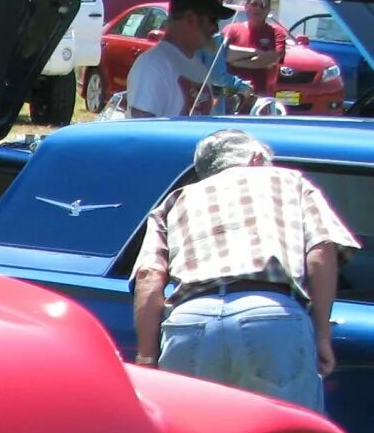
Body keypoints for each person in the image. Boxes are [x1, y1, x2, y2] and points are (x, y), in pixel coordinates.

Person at [131, 128, 358, 411]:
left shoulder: (174, 201)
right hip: (269, 315)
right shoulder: (291, 182)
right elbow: (321, 250)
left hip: (189, 322)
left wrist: (147, 357)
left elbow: (148, 276)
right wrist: (322, 334)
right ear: (255, 158)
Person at [125, 0, 231, 117]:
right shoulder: (152, 65)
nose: (216, 28)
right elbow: (141, 131)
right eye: (213, 20)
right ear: (190, 18)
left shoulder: (198, 67)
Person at [223, 0, 289, 101]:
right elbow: (222, 54)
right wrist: (256, 53)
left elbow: (270, 59)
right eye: (254, 4)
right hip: (231, 95)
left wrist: (235, 62)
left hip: (260, 96)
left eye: (263, 6)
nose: (258, 8)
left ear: (268, 10)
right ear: (246, 6)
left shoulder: (277, 33)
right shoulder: (231, 30)